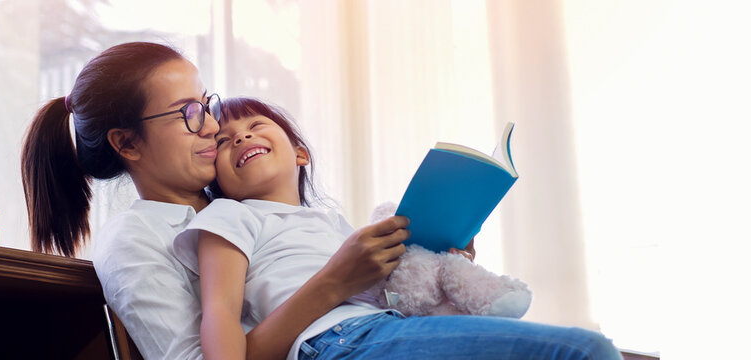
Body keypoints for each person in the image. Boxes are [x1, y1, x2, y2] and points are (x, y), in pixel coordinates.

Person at [21, 42, 409, 360]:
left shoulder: (249, 201)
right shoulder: (133, 238)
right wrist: (333, 283)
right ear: (127, 143)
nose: (211, 125)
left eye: (206, 105)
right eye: (189, 113)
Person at [172, 97, 623, 360]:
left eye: (254, 126)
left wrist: (442, 252)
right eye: (225, 141)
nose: (241, 139)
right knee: (586, 352)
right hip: (339, 343)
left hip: (382, 328)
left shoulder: (333, 224)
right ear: (218, 180)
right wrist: (337, 280)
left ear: (300, 154)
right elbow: (220, 315)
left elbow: (392, 295)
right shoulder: (229, 217)